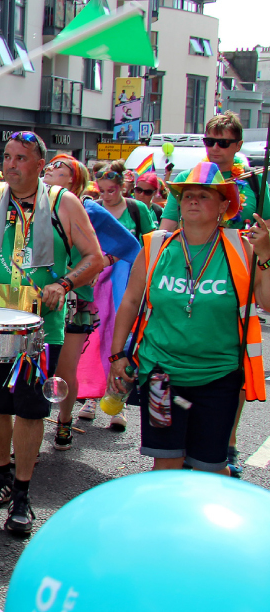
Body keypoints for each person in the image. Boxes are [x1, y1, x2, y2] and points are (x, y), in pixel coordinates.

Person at [0, 131, 102, 535]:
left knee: (29, 409)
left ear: (40, 165)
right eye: (6, 156)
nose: (11, 164)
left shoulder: (64, 202)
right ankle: (2, 474)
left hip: (40, 326)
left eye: (21, 158)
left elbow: (94, 258)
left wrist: (63, 284)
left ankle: (23, 493)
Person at [109, 163, 268, 474]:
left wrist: (267, 255)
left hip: (218, 378)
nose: (193, 200)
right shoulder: (156, 244)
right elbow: (129, 301)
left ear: (224, 206)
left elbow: (267, 303)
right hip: (160, 375)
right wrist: (117, 355)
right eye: (187, 195)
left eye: (204, 195)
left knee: (209, 468)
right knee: (166, 466)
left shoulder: (242, 248)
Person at [157, 113, 269, 475]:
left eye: (223, 142)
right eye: (209, 141)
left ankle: (228, 440)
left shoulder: (254, 181)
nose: (215, 148)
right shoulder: (191, 178)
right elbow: (166, 231)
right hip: (191, 273)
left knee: (232, 361)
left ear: (237, 145)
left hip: (237, 276)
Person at [43, 155, 139, 447]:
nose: (49, 171)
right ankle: (31, 423)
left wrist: (99, 264)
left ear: (73, 178)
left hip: (75, 298)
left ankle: (63, 422)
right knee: (34, 364)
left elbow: (129, 245)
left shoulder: (88, 208)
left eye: (58, 169)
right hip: (40, 294)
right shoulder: (33, 205)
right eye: (48, 167)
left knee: (66, 368)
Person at [96, 162, 156, 242]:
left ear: (122, 187)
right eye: (102, 191)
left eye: (111, 191)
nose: (106, 196)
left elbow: (152, 241)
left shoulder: (137, 208)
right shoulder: (94, 208)